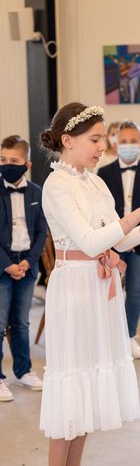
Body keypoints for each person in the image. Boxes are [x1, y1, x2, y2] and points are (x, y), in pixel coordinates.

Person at [39, 102, 140, 466]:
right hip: (74, 288)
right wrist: (139, 212)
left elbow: (116, 241)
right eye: (95, 139)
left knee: (89, 374)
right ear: (67, 140)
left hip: (100, 287)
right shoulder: (57, 185)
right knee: (72, 376)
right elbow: (90, 242)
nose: (102, 146)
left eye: (102, 138)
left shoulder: (95, 183)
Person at [98, 120, 140, 359]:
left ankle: (130, 336)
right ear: (115, 144)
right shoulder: (103, 173)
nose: (128, 145)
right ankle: (110, 336)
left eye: (133, 141)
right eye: (123, 141)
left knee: (135, 290)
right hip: (113, 241)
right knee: (109, 289)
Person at [0, 135, 47, 402]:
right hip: (2, 267)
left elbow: (41, 232)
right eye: (3, 159)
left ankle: (23, 371)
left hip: (27, 266)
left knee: (21, 323)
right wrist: (8, 265)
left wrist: (29, 260)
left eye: (13, 160)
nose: (7, 164)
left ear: (26, 165)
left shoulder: (36, 192)